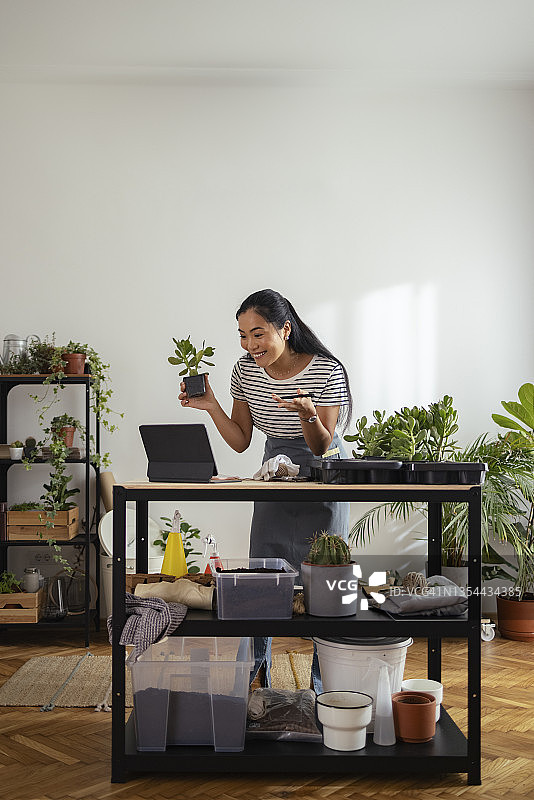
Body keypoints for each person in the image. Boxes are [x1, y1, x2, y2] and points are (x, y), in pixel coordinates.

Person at [178, 288, 353, 689]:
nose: (250, 344)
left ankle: (323, 687)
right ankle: (256, 679)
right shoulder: (244, 371)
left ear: (285, 330)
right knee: (261, 579)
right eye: (243, 335)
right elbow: (240, 439)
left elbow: (323, 446)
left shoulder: (326, 369)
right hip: (273, 474)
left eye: (259, 334)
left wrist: (309, 414)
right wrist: (212, 406)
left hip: (320, 477)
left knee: (322, 583)